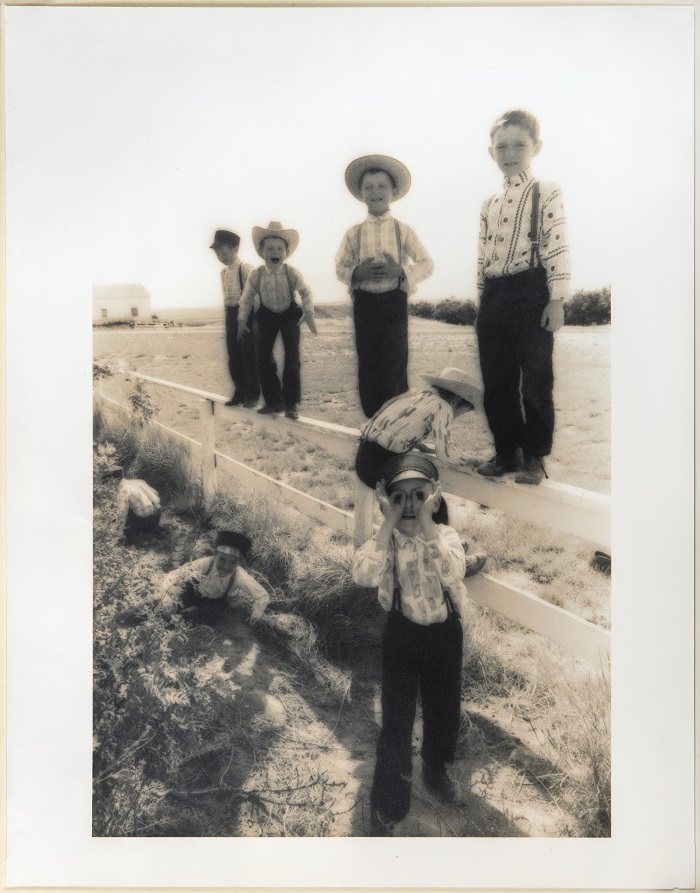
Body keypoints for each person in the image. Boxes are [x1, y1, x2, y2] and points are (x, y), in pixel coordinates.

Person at [352, 454, 468, 836]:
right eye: (399, 498)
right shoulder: (386, 542)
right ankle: (390, 803)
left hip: (444, 635)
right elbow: (364, 576)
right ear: (387, 501)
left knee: (443, 709)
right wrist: (385, 524)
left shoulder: (446, 537)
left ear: (435, 498)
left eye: (419, 495)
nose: (410, 505)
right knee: (397, 720)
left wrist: (429, 526)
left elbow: (453, 572)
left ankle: (436, 770)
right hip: (402, 635)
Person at [475, 109, 571, 485]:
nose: (510, 152)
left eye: (519, 144)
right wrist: (483, 301)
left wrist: (557, 298)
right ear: (491, 152)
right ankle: (506, 452)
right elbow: (482, 257)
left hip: (532, 290)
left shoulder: (546, 191)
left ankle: (534, 456)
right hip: (496, 295)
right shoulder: (489, 204)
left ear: (536, 147)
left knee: (535, 380)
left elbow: (558, 245)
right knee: (496, 381)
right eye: (502, 146)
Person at [336, 155, 434, 418]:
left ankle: (397, 422)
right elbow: (340, 267)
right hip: (365, 304)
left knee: (395, 360)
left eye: (381, 186)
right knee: (368, 362)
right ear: (361, 194)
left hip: (393, 303)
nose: (375, 192)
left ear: (393, 191)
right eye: (368, 187)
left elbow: (427, 264)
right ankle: (373, 422)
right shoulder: (353, 233)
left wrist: (401, 270)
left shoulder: (403, 230)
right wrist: (357, 272)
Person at [238, 221, 317, 420]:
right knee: (263, 357)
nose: (276, 252)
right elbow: (246, 298)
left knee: (292, 357)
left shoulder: (291, 272)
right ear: (261, 252)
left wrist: (308, 312)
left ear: (286, 253)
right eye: (270, 248)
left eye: (280, 248)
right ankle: (274, 401)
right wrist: (241, 321)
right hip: (266, 314)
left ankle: (291, 404)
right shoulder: (256, 274)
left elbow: (306, 293)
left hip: (289, 314)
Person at [160, 530, 270, 626]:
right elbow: (174, 574)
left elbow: (262, 595)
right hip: (194, 594)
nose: (226, 566)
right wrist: (168, 597)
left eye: (232, 563)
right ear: (214, 555)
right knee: (176, 597)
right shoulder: (204, 563)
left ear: (239, 562)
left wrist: (255, 615)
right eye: (222, 560)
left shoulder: (240, 576)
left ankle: (190, 617)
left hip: (214, 604)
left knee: (208, 617)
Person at [210, 229, 260, 408]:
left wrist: (251, 319)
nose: (220, 257)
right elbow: (226, 296)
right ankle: (240, 391)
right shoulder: (223, 273)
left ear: (235, 250)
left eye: (223, 252)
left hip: (246, 313)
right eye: (217, 254)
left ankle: (252, 394)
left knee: (249, 354)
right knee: (234, 354)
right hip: (230, 313)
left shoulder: (246, 268)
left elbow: (256, 295)